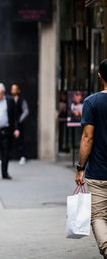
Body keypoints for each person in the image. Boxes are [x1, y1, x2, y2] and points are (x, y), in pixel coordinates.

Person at [75, 59, 107, 259]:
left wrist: (80, 168)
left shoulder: (92, 102)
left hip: (99, 173)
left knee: (98, 217)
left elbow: (87, 137)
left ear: (100, 76)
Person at [11, 84, 29, 164]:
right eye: (12, 89)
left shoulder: (21, 100)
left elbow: (26, 111)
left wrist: (20, 120)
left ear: (18, 91)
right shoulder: (9, 99)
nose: (13, 90)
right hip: (10, 123)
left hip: (18, 123)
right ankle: (7, 157)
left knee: (20, 140)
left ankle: (23, 156)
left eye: (15, 89)